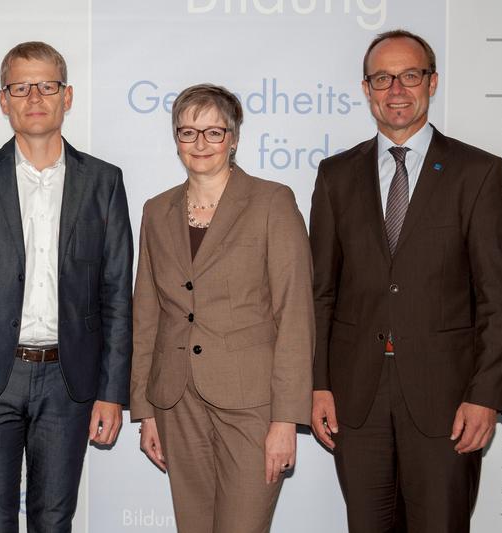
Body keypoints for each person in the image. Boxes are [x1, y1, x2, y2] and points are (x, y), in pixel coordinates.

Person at [309, 29, 502, 533]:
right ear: (366, 89)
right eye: (382, 78)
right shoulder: (335, 175)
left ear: (432, 82)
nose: (396, 89)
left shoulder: (478, 172)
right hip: (357, 400)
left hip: (448, 400)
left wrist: (485, 395)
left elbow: (496, 299)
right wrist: (316, 385)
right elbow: (320, 292)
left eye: (409, 75)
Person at [0, 41, 133, 532]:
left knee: (54, 520)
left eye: (47, 85)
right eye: (21, 87)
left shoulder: (104, 181)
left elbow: (116, 298)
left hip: (70, 381)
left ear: (68, 96)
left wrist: (112, 392)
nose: (35, 97)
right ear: (4, 100)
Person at [130, 83, 314, 533]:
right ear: (175, 138)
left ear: (234, 138)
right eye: (188, 132)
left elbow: (295, 314)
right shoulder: (156, 210)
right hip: (176, 400)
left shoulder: (273, 201)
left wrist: (286, 418)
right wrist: (145, 408)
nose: (200, 144)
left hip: (252, 406)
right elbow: (147, 312)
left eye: (213, 132)